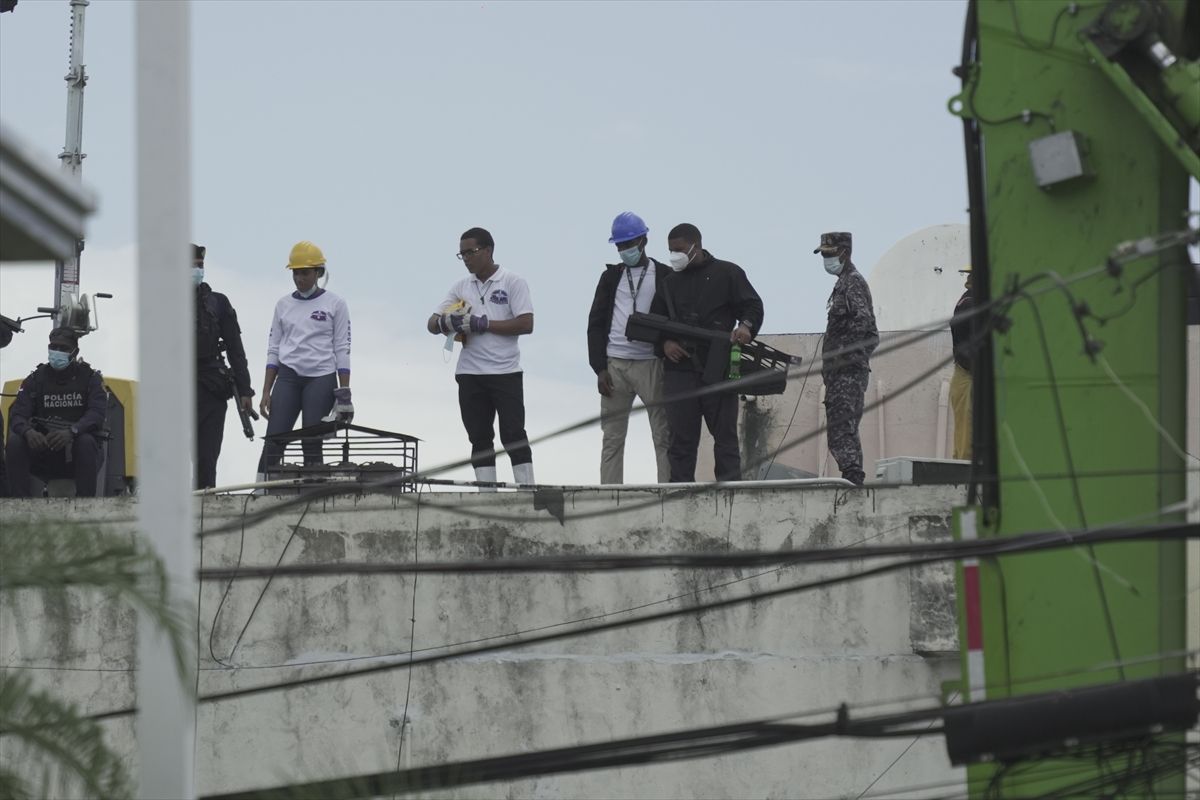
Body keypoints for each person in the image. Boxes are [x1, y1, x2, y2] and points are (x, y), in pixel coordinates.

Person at [649, 223, 763, 483]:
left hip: (718, 367)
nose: (674, 256)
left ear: (696, 246)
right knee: (680, 444)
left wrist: (746, 327)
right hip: (680, 371)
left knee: (725, 440)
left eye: (679, 250)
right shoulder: (669, 283)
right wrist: (665, 344)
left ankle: (731, 496)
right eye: (670, 250)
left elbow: (752, 306)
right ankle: (680, 499)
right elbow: (654, 323)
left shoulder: (728, 273)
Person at [427, 227, 535, 489]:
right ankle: (487, 493)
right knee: (479, 436)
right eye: (462, 254)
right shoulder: (461, 287)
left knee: (513, 434)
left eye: (471, 252)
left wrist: (484, 324)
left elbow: (526, 323)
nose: (466, 258)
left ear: (488, 250)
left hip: (505, 371)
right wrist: (446, 322)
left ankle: (527, 490)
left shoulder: (512, 281)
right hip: (470, 373)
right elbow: (431, 323)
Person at [587, 212, 671, 484]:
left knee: (663, 434)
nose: (624, 250)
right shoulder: (610, 277)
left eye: (629, 244)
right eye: (620, 245)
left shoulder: (665, 275)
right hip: (616, 365)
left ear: (643, 240)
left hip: (651, 363)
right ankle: (610, 495)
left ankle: (668, 493)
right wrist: (600, 368)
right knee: (612, 437)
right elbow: (595, 323)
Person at [257, 241, 352, 478]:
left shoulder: (336, 304)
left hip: (321, 376)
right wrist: (266, 390)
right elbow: (273, 349)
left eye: (305, 273)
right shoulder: (283, 305)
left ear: (318, 272)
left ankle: (313, 490)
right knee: (275, 438)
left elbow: (342, 348)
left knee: (311, 440)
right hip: (288, 376)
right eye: (295, 273)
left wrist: (344, 393)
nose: (299, 278)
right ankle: (259, 490)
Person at [5, 327, 107, 497]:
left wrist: (72, 432)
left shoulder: (91, 378)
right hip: (44, 452)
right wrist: (28, 432)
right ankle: (19, 503)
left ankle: (86, 504)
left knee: (86, 442)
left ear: (75, 352)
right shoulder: (35, 379)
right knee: (15, 442)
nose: (57, 352)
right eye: (53, 347)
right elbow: (17, 415)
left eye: (63, 348)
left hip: (78, 455)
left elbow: (96, 414)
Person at [816, 231, 878, 486]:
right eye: (823, 255)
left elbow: (865, 324)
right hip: (840, 371)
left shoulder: (853, 282)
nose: (826, 260)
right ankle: (852, 475)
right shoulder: (843, 283)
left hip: (847, 371)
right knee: (842, 427)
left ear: (845, 253)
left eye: (830, 254)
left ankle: (852, 477)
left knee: (842, 427)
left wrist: (844, 356)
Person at [193, 244, 255, 489]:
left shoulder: (217, 302)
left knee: (207, 457)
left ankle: (204, 503)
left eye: (200, 265)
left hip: (212, 387)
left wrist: (245, 390)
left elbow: (235, 349)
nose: (197, 270)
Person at [950, 265, 974, 461]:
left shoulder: (966, 301)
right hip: (969, 373)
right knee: (967, 428)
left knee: (964, 428)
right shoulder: (971, 304)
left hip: (964, 372)